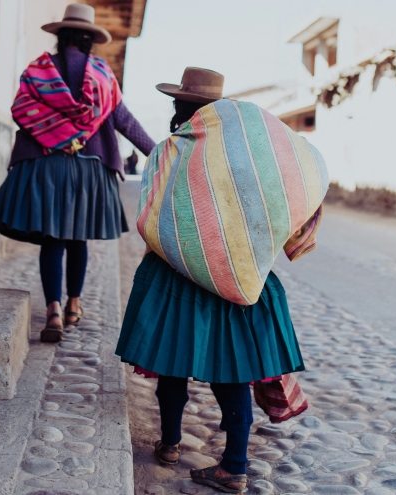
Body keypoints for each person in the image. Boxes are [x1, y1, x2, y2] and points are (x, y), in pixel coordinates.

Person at [115, 68, 307, 494]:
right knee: (233, 369)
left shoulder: (171, 151)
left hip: (175, 274)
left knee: (172, 361)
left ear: (181, 109)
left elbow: (152, 213)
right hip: (238, 275)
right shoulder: (251, 156)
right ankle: (234, 465)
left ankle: (169, 443)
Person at [0, 4, 155, 342]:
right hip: (89, 171)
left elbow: (21, 110)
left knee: (52, 240)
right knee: (77, 239)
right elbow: (125, 122)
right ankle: (75, 304)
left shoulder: (38, 71)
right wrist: (160, 154)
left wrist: (54, 133)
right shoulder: (103, 76)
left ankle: (54, 311)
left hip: (46, 165)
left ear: (59, 37)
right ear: (90, 40)